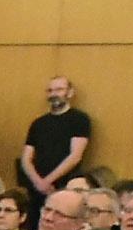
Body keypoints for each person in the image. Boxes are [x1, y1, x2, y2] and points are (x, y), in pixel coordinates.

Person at [19, 75, 92, 204]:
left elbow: (75, 156)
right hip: (36, 187)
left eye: (59, 90)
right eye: (50, 91)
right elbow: (26, 158)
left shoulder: (79, 119)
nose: (54, 94)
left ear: (70, 93)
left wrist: (47, 182)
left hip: (65, 186)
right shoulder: (38, 123)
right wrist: (38, 182)